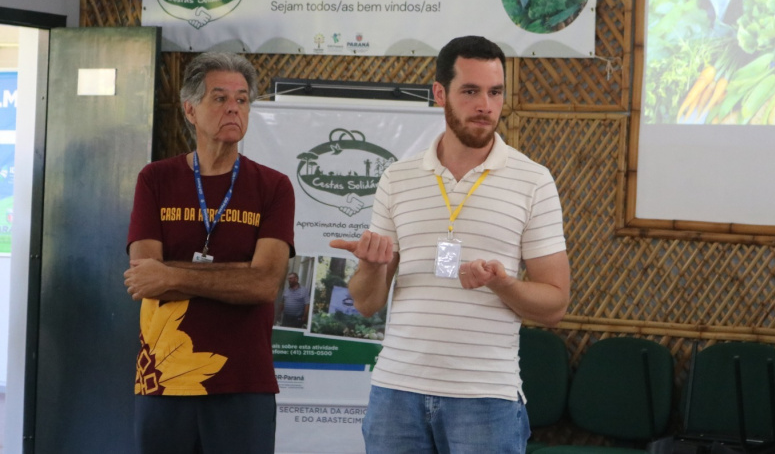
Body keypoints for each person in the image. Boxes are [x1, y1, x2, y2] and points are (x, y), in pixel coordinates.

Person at [330, 35, 570, 453]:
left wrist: (502, 284)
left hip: (486, 398)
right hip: (395, 392)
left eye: (495, 92)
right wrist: (370, 265)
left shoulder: (533, 180)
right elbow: (366, 305)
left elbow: (555, 305)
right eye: (471, 91)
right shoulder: (398, 178)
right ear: (440, 93)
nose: (486, 105)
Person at [123, 52, 295, 454]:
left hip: (244, 381)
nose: (233, 107)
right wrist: (233, 275)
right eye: (220, 98)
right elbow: (145, 278)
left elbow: (265, 284)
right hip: (162, 378)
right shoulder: (156, 179)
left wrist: (173, 275)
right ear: (190, 109)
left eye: (242, 99)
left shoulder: (273, 187)